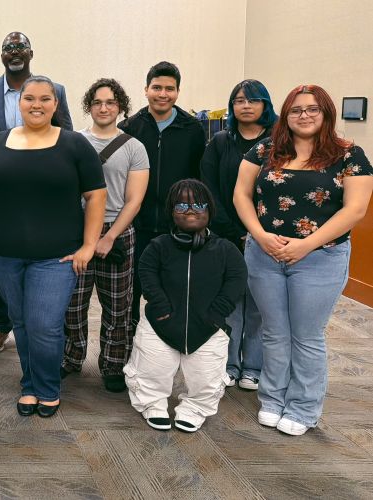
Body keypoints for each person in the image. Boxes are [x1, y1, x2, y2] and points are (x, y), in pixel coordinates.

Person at [234, 85, 373, 436]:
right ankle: (272, 397)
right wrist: (259, 235)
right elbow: (241, 194)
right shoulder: (265, 149)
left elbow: (355, 209)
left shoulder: (349, 155)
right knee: (274, 331)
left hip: (320, 258)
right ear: (286, 114)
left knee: (306, 335)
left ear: (326, 113)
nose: (304, 116)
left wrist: (306, 245)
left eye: (313, 109)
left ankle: (303, 406)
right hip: (265, 254)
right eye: (296, 110)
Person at [0, 75, 106, 418]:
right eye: (30, 98)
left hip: (57, 257)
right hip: (5, 254)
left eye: (45, 99)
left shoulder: (74, 145)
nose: (37, 105)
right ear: (20, 103)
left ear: (55, 104)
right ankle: (29, 384)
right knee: (21, 322)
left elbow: (96, 195)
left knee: (44, 324)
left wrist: (89, 245)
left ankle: (47, 388)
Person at [0, 32, 74, 354]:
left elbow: (67, 135)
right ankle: (1, 324)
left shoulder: (53, 91)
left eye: (20, 47)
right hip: (2, 191)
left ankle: (47, 327)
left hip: (44, 192)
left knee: (48, 263)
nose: (14, 52)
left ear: (31, 52)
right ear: (1, 55)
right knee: (2, 256)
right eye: (8, 48)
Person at [125, 180, 246, 432]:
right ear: (171, 211)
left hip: (209, 326)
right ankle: (152, 404)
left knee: (206, 379)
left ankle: (195, 408)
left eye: (198, 204)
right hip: (161, 323)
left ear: (209, 210)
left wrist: (216, 316)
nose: (190, 210)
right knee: (151, 372)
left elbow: (236, 282)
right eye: (182, 205)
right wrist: (160, 308)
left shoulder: (227, 250)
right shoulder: (158, 246)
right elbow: (147, 275)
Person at [61, 78, 149, 392]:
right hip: (76, 231)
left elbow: (134, 200)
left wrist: (110, 237)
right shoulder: (73, 142)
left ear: (120, 106)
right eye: (97, 102)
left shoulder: (134, 147)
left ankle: (113, 364)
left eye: (110, 102)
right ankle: (71, 358)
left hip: (117, 233)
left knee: (118, 306)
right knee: (72, 304)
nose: (103, 107)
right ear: (89, 106)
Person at [201, 79, 278, 391]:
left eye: (253, 100)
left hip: (269, 236)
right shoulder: (221, 141)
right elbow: (208, 188)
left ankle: (253, 367)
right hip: (226, 234)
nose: (246, 106)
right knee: (230, 304)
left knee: (260, 306)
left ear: (265, 105)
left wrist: (258, 232)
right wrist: (235, 231)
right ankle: (229, 365)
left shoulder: (279, 142)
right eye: (239, 101)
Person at [119, 61, 205, 332]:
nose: (163, 94)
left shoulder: (192, 129)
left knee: (171, 293)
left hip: (175, 226)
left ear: (178, 92)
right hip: (136, 225)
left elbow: (198, 178)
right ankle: (128, 349)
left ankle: (168, 348)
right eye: (157, 87)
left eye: (170, 88)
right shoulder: (129, 127)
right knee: (129, 292)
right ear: (146, 89)